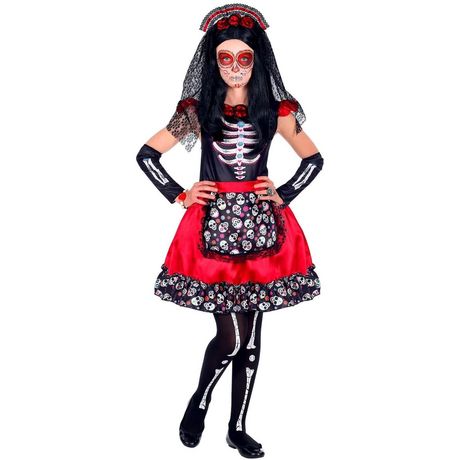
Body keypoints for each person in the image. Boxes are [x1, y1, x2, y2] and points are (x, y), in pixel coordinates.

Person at [136, 4, 324, 458]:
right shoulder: (197, 110)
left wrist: (285, 192)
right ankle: (199, 401)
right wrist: (180, 194)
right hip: (212, 228)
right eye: (226, 58)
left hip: (263, 228)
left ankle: (237, 427)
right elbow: (146, 155)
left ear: (257, 60)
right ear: (213, 61)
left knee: (252, 339)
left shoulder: (274, 111)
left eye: (244, 58)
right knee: (233, 338)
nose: (235, 67)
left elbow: (314, 159)